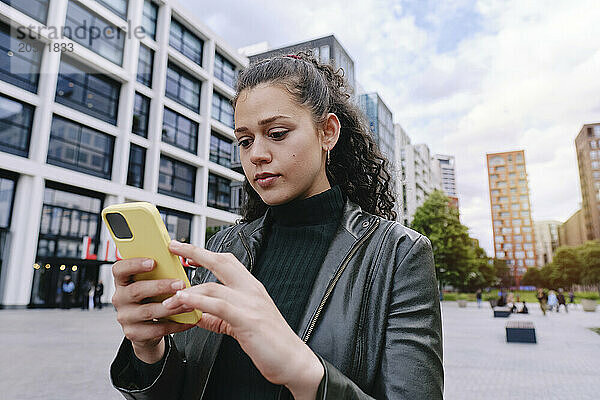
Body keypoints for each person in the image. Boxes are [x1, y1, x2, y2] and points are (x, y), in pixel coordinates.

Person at [109, 53, 443, 399]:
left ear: (327, 132)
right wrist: (149, 350)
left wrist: (304, 371)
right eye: (245, 140)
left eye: (277, 133)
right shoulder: (225, 249)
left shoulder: (399, 255)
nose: (256, 155)